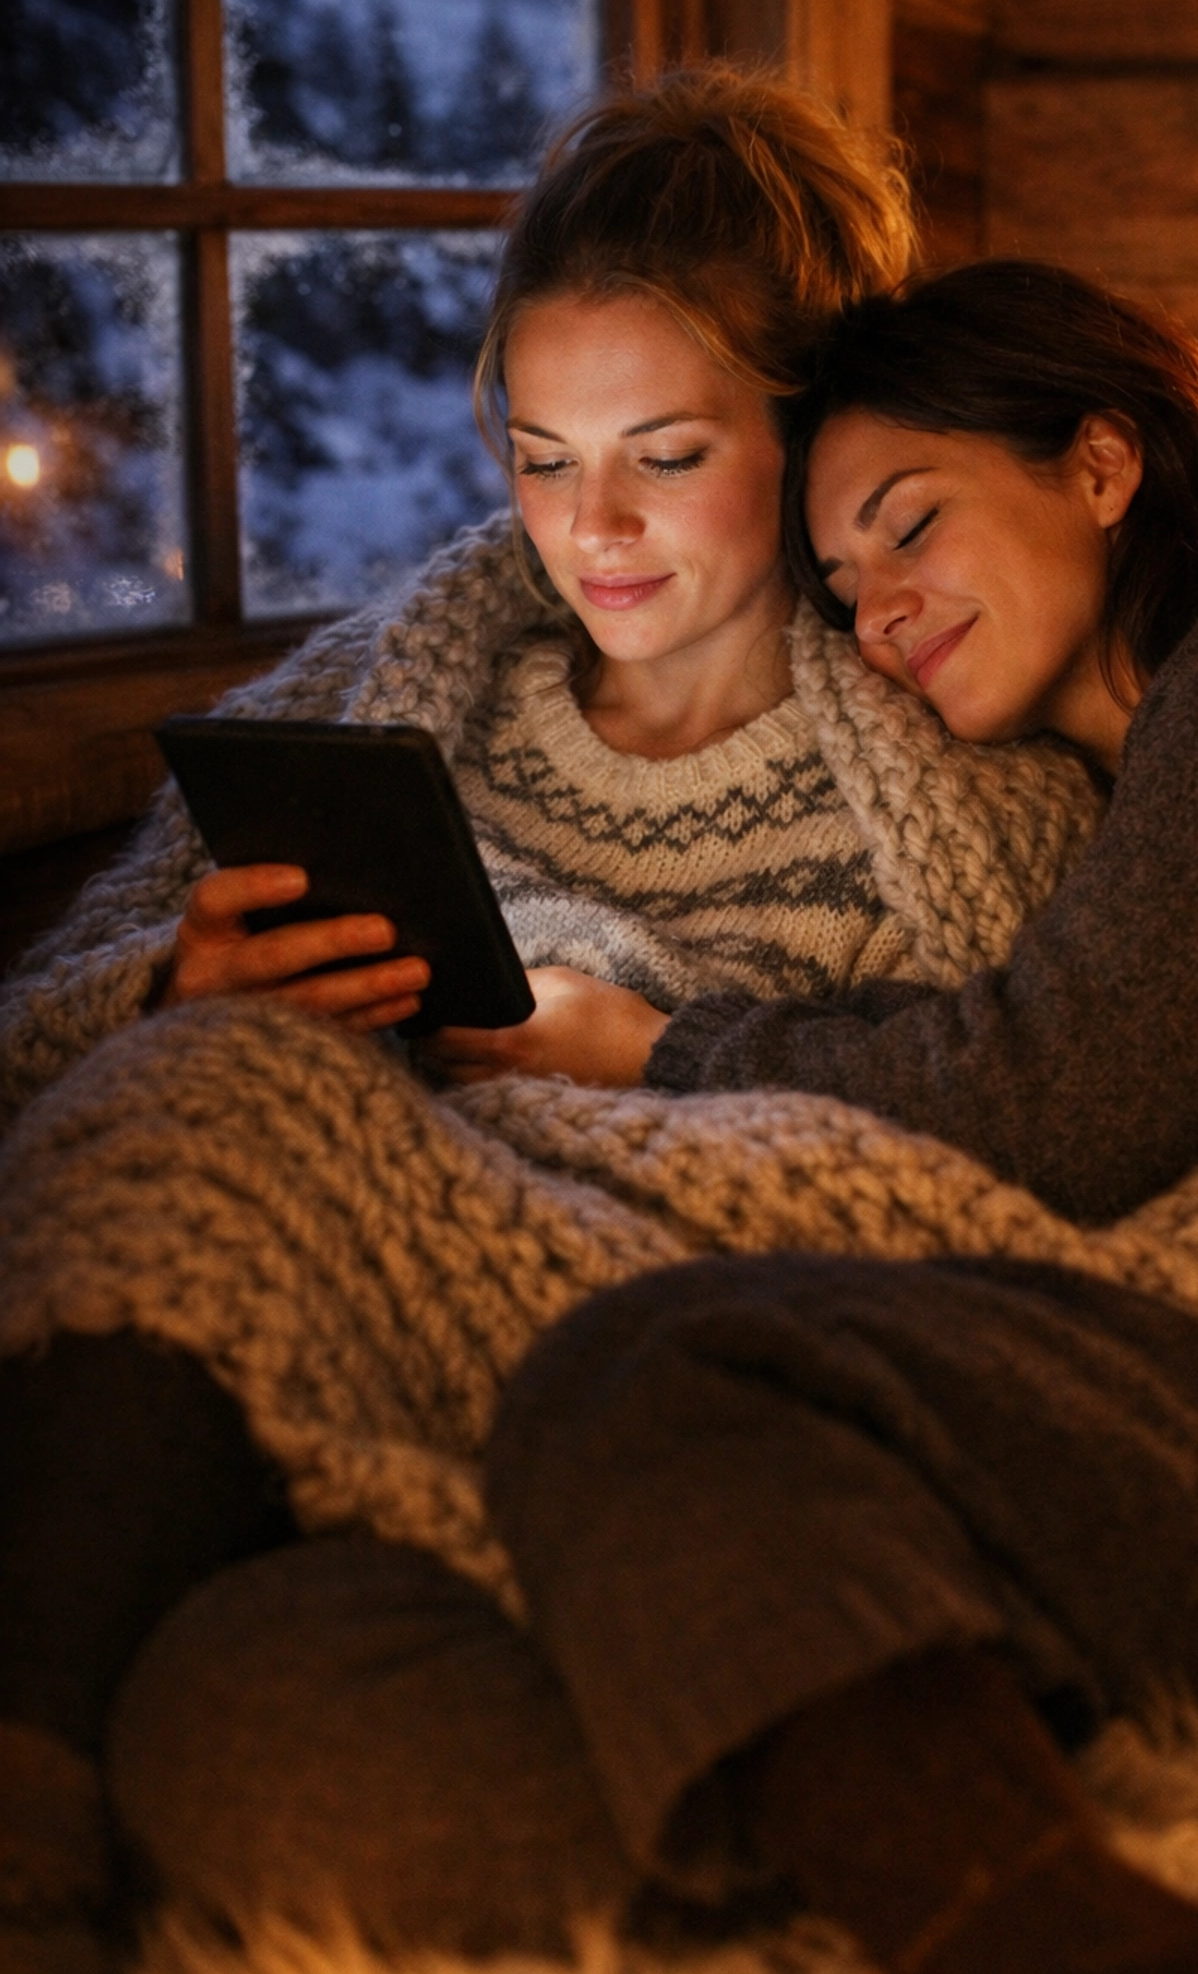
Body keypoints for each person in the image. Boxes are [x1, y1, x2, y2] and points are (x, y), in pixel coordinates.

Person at [0, 112, 1105, 1966]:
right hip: (257, 1296)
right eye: (540, 459)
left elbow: (1015, 1150)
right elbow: (43, 1041)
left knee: (250, 1705)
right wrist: (172, 991)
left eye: (667, 458)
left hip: (644, 1368)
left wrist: (656, 1051)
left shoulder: (962, 770)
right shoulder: (400, 681)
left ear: (809, 435)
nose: (594, 528)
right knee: (227, 1690)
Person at [459, 261, 1198, 1971]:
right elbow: (1034, 1034)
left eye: (912, 525)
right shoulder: (1162, 757)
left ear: (1102, 466)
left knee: (660, 1367)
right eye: (841, 578)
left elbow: (1046, 1098)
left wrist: (658, 1049)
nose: (879, 608)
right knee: (363, 1651)